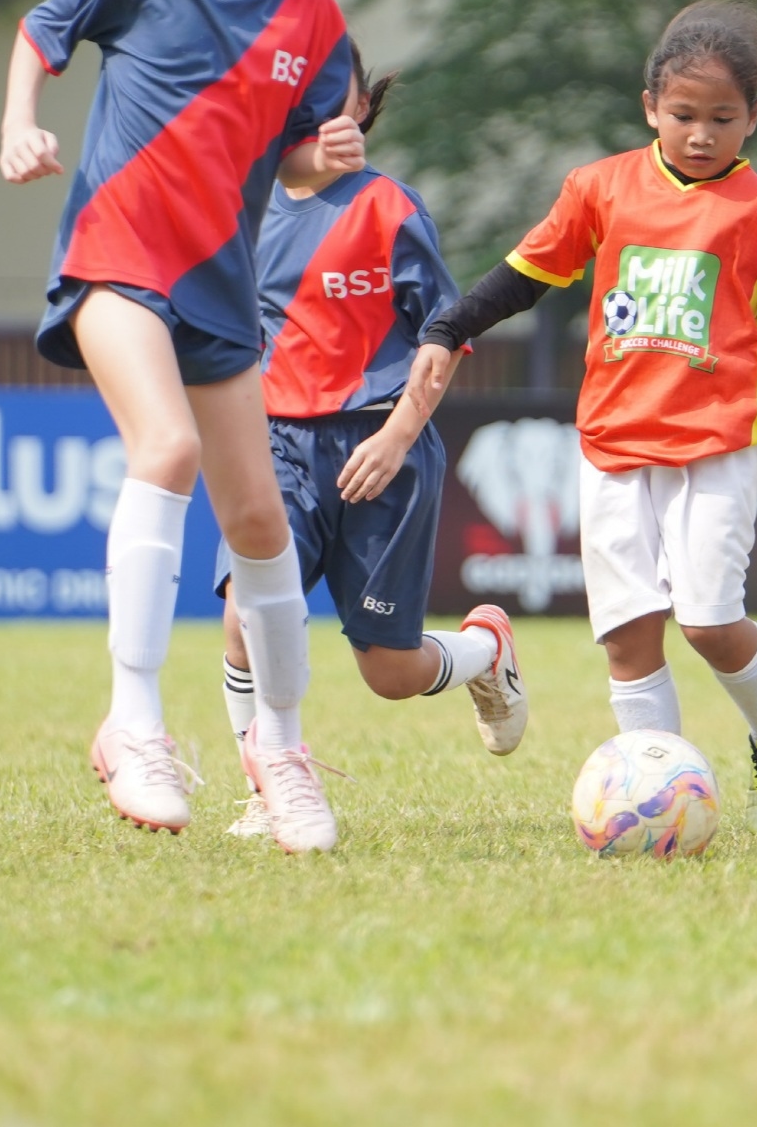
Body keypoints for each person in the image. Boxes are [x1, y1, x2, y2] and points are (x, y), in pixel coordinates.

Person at [412, 1, 757, 838]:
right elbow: (525, 274)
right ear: (650, 104)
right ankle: (658, 799)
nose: (700, 133)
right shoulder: (600, 186)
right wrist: (449, 325)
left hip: (714, 446)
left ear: (753, 116)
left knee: (706, 622)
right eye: (684, 114)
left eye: (722, 118)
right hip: (613, 443)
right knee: (627, 636)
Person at [0, 0, 369, 851]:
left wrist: (320, 156)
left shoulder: (317, 21)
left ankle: (282, 754)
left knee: (262, 525)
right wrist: (21, 126)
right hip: (116, 259)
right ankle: (135, 722)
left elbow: (295, 154)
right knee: (161, 448)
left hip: (220, 287)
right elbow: (39, 34)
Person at [216, 46, 528, 842]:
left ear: (357, 106)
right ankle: (268, 785)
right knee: (243, 612)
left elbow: (443, 334)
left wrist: (396, 434)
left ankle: (484, 649)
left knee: (388, 674)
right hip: (280, 440)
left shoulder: (389, 207)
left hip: (383, 447)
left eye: (332, 94)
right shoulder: (241, 209)